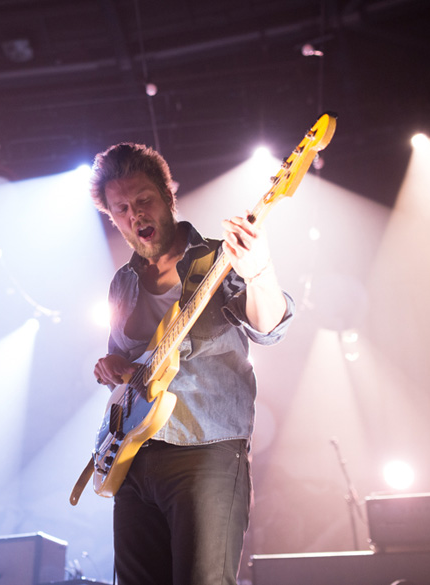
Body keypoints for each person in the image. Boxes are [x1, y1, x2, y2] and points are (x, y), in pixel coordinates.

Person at [88, 142, 295, 585]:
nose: (135, 214)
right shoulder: (121, 283)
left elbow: (270, 326)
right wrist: (114, 368)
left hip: (206, 452)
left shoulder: (219, 259)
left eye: (143, 200)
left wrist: (259, 270)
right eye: (121, 208)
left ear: (167, 196)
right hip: (133, 460)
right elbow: (130, 374)